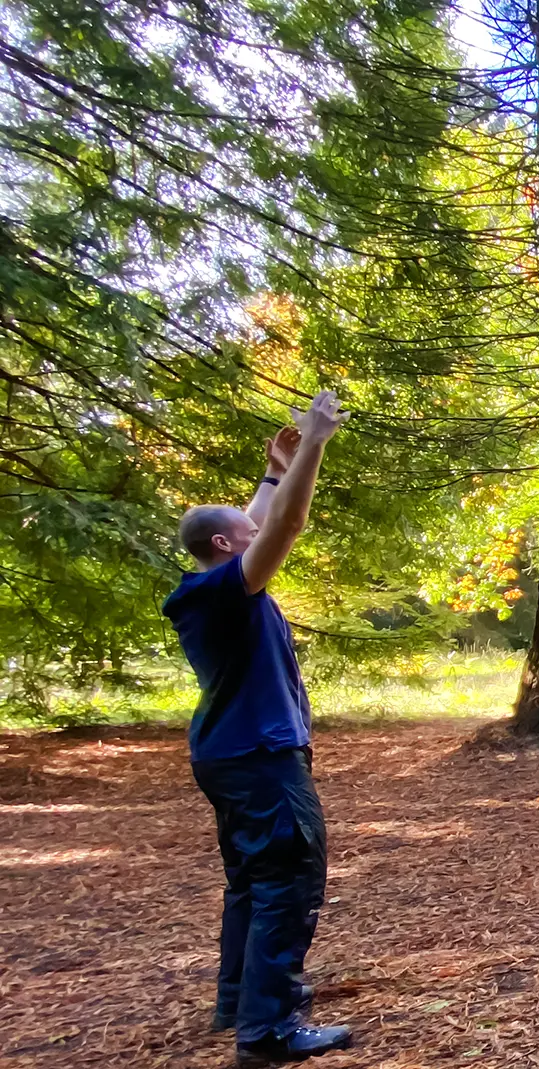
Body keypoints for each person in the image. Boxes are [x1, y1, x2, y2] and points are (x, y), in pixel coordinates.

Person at [163, 391, 354, 1068]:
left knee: (251, 878)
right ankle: (268, 1029)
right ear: (225, 546)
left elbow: (261, 515)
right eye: (245, 531)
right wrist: (317, 444)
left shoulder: (206, 590)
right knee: (289, 876)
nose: (258, 528)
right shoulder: (228, 592)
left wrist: (275, 469)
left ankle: (239, 999)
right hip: (260, 758)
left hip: (227, 754)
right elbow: (287, 523)